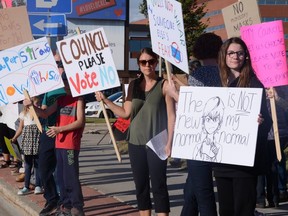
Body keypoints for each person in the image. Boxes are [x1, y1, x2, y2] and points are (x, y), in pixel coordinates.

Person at [95, 47, 176, 216]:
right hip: (135, 142)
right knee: (141, 187)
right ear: (139, 64)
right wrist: (105, 100)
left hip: (157, 142)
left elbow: (171, 116)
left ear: (156, 63)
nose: (147, 65)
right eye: (143, 62)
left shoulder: (165, 84)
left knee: (159, 185)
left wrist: (170, 142)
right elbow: (125, 113)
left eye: (151, 61)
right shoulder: (133, 85)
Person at [213, 37, 272, 216]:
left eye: (240, 53)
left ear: (246, 56)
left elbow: (267, 121)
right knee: (226, 210)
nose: (235, 56)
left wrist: (260, 122)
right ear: (224, 55)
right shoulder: (217, 83)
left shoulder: (254, 84)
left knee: (244, 210)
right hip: (222, 159)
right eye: (231, 52)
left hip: (245, 161)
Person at [167, 32, 222, 216]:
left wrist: (174, 93)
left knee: (203, 193)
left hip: (199, 140)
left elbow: (195, 107)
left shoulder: (198, 74)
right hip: (220, 137)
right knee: (191, 191)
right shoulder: (225, 74)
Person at [24, 71, 85, 216]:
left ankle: (77, 206)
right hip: (59, 143)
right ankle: (64, 205)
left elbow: (81, 121)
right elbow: (45, 113)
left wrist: (60, 129)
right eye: (64, 81)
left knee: (71, 176)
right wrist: (32, 105)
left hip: (70, 144)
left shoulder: (79, 99)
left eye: (68, 80)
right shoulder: (61, 99)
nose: (66, 83)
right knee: (62, 177)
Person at [37, 55, 66, 216]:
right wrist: (33, 107)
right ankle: (51, 199)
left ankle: (65, 203)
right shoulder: (48, 87)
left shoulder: (69, 86)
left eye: (60, 63)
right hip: (48, 132)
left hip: (65, 132)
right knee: (43, 168)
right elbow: (44, 111)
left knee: (63, 172)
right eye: (54, 63)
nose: (57, 66)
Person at [256, 86, 288, 208]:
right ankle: (261, 198)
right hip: (260, 130)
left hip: (277, 132)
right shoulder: (255, 84)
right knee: (260, 163)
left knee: (274, 163)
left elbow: (286, 106)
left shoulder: (282, 86)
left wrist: (277, 98)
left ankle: (275, 196)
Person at [12, 96, 43, 195]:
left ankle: (38, 185)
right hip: (27, 141)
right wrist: (14, 137)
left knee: (37, 163)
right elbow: (20, 128)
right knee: (28, 164)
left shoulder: (39, 113)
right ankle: (26, 186)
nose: (37, 105)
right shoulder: (23, 114)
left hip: (37, 139)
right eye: (35, 103)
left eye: (38, 104)